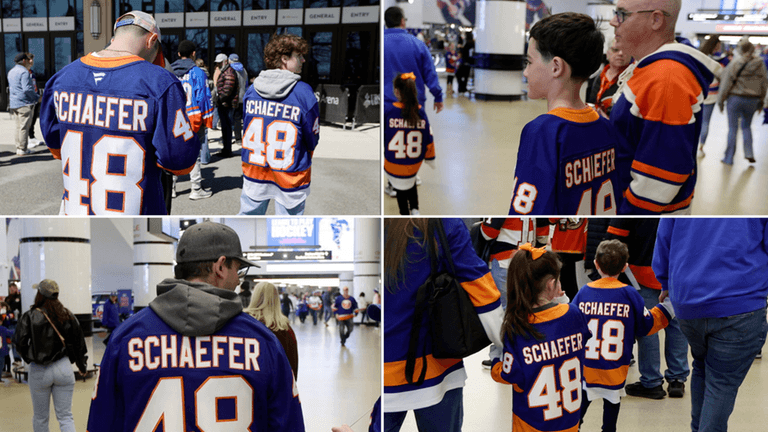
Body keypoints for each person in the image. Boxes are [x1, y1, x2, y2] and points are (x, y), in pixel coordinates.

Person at [86, 221, 304, 431]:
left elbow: (101, 423)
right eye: (238, 270)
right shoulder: (263, 342)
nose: (238, 281)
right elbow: (288, 425)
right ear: (220, 267)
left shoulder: (125, 338)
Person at [40, 10, 199, 215]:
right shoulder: (159, 82)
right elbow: (180, 162)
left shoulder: (61, 78)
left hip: (75, 213)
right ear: (151, 40)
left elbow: (56, 147)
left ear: (114, 38)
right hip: (135, 221)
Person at [384, 218, 503, 432]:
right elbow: (483, 292)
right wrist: (510, 346)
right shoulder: (444, 224)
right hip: (438, 367)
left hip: (385, 371)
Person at [653, 219, 768, 432]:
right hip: (739, 301)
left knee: (703, 365)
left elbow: (664, 237)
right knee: (721, 382)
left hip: (688, 303)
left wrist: (666, 283)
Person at [509, 13, 626, 215]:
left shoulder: (542, 132)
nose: (526, 72)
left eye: (529, 62)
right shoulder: (606, 126)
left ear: (556, 66)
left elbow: (527, 213)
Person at [609, 0, 720, 214]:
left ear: (656, 19)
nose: (614, 21)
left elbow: (657, 182)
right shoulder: (649, 68)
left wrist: (621, 227)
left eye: (622, 14)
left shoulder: (666, 80)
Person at [572, 240, 674, 432]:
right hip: (615, 368)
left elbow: (570, 322)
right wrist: (668, 307)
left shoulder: (585, 292)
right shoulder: (629, 294)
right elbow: (646, 325)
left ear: (596, 264)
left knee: (579, 408)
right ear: (625, 267)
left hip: (587, 367)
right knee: (611, 409)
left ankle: (572, 427)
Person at [490, 244, 590, 432]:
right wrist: (562, 301)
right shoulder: (574, 314)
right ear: (552, 284)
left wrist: (496, 364)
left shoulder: (517, 327)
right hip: (569, 420)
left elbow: (510, 374)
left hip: (531, 423)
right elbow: (580, 341)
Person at [606, 218, 689, 399]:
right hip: (677, 269)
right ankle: (677, 379)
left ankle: (651, 382)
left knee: (647, 325)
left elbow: (615, 236)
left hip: (641, 270)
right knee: (676, 323)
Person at [240, 34, 319, 216]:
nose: (303, 60)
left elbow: (246, 130)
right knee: (288, 232)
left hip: (255, 171)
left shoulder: (252, 91)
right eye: (298, 56)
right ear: (284, 59)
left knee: (247, 219)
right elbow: (312, 139)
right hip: (290, 174)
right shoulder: (303, 93)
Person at [13, 279, 88, 432]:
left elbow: (19, 343)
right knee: (66, 417)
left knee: (41, 418)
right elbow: (79, 343)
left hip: (39, 370)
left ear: (40, 294)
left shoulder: (29, 316)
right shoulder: (67, 315)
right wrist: (81, 366)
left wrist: (31, 358)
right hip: (63, 367)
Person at [478, 218, 549, 369]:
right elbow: (543, 235)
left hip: (504, 262)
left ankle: (502, 356)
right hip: (527, 261)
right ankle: (522, 353)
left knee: (502, 312)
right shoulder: (537, 200)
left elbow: (487, 233)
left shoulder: (502, 202)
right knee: (525, 309)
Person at [384, 73, 435, 215]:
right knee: (410, 180)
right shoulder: (420, 111)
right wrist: (430, 158)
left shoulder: (389, 111)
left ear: (396, 91)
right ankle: (415, 209)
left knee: (400, 187)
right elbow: (428, 136)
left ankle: (404, 212)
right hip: (414, 163)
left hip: (394, 164)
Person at [170, 39, 214, 202]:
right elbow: (204, 97)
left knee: (175, 154)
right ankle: (196, 188)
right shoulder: (198, 72)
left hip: (174, 119)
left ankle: (172, 188)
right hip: (193, 117)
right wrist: (208, 119)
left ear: (179, 54)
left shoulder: (169, 71)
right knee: (193, 154)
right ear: (193, 54)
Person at [716, 39, 767, 165]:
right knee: (746, 126)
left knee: (733, 128)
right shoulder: (760, 63)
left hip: (735, 98)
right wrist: (761, 101)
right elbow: (764, 83)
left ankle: (728, 158)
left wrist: (721, 101)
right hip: (753, 100)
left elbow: (726, 82)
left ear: (740, 50)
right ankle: (749, 153)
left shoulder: (735, 63)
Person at [244, 281, 299, 379]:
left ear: (254, 297)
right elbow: (292, 366)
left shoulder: (244, 323)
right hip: (275, 386)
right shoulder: (285, 329)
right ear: (276, 299)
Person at [585, 38, 631, 118]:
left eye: (625, 50)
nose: (620, 53)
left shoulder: (632, 78)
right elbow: (589, 103)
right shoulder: (597, 77)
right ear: (607, 53)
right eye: (615, 50)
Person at [697, 35, 726, 158]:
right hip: (712, 93)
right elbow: (723, 76)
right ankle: (701, 146)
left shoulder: (699, 56)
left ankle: (694, 144)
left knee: (697, 119)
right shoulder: (721, 61)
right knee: (705, 122)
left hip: (698, 92)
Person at [8, 52, 39, 156]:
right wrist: (36, 97)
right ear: (24, 61)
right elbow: (27, 89)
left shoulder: (11, 72)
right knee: (24, 127)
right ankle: (23, 149)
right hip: (24, 103)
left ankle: (19, 147)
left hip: (14, 103)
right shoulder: (24, 72)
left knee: (18, 127)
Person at [214, 53, 239, 157]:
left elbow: (227, 90)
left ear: (225, 61)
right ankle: (226, 149)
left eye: (220, 62)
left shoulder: (228, 72)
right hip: (224, 104)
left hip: (226, 104)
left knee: (227, 128)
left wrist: (219, 98)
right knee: (225, 128)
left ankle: (227, 150)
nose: (218, 65)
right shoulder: (226, 71)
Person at [229, 53, 248, 143]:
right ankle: (239, 138)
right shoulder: (244, 70)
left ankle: (232, 138)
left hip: (233, 97)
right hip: (243, 96)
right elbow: (246, 84)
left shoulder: (230, 69)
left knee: (230, 118)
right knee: (239, 118)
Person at [26, 53, 43, 148]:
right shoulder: (24, 72)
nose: (31, 61)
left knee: (33, 119)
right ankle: (27, 140)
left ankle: (32, 137)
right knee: (27, 120)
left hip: (35, 98)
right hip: (28, 100)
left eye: (32, 59)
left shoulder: (32, 72)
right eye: (29, 59)